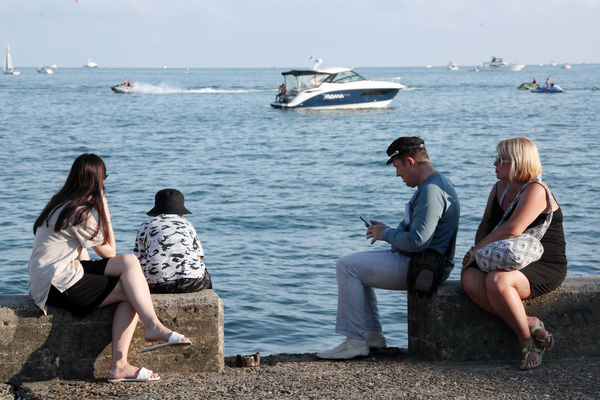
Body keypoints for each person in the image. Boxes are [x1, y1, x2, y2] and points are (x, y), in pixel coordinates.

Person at [28, 154, 191, 383]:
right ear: (97, 181)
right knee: (131, 293)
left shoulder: (59, 205)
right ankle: (127, 356)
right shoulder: (78, 212)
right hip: (58, 283)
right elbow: (109, 252)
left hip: (51, 277)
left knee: (130, 263)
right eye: (104, 178)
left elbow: (83, 252)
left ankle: (149, 330)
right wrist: (105, 211)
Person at [317, 137, 460, 360]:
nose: (397, 175)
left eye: (397, 167)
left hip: (423, 269)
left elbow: (418, 241)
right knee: (355, 266)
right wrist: (387, 230)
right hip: (421, 263)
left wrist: (385, 234)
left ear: (410, 162)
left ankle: (355, 342)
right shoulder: (434, 185)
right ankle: (372, 337)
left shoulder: (432, 191)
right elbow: (417, 234)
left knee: (347, 267)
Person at [461, 137, 567, 370]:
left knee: (498, 281)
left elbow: (512, 229)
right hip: (508, 257)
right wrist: (477, 256)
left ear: (518, 162)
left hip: (542, 262)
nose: (494, 163)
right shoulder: (499, 188)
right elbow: (486, 224)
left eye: (501, 159)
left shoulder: (536, 189)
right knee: (469, 278)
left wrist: (476, 252)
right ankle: (529, 322)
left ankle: (526, 341)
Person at [134, 188, 212, 293]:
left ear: (155, 213)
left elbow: (139, 258)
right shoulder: (187, 224)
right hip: (191, 282)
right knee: (204, 272)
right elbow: (198, 255)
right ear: (181, 214)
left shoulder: (146, 225)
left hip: (156, 284)